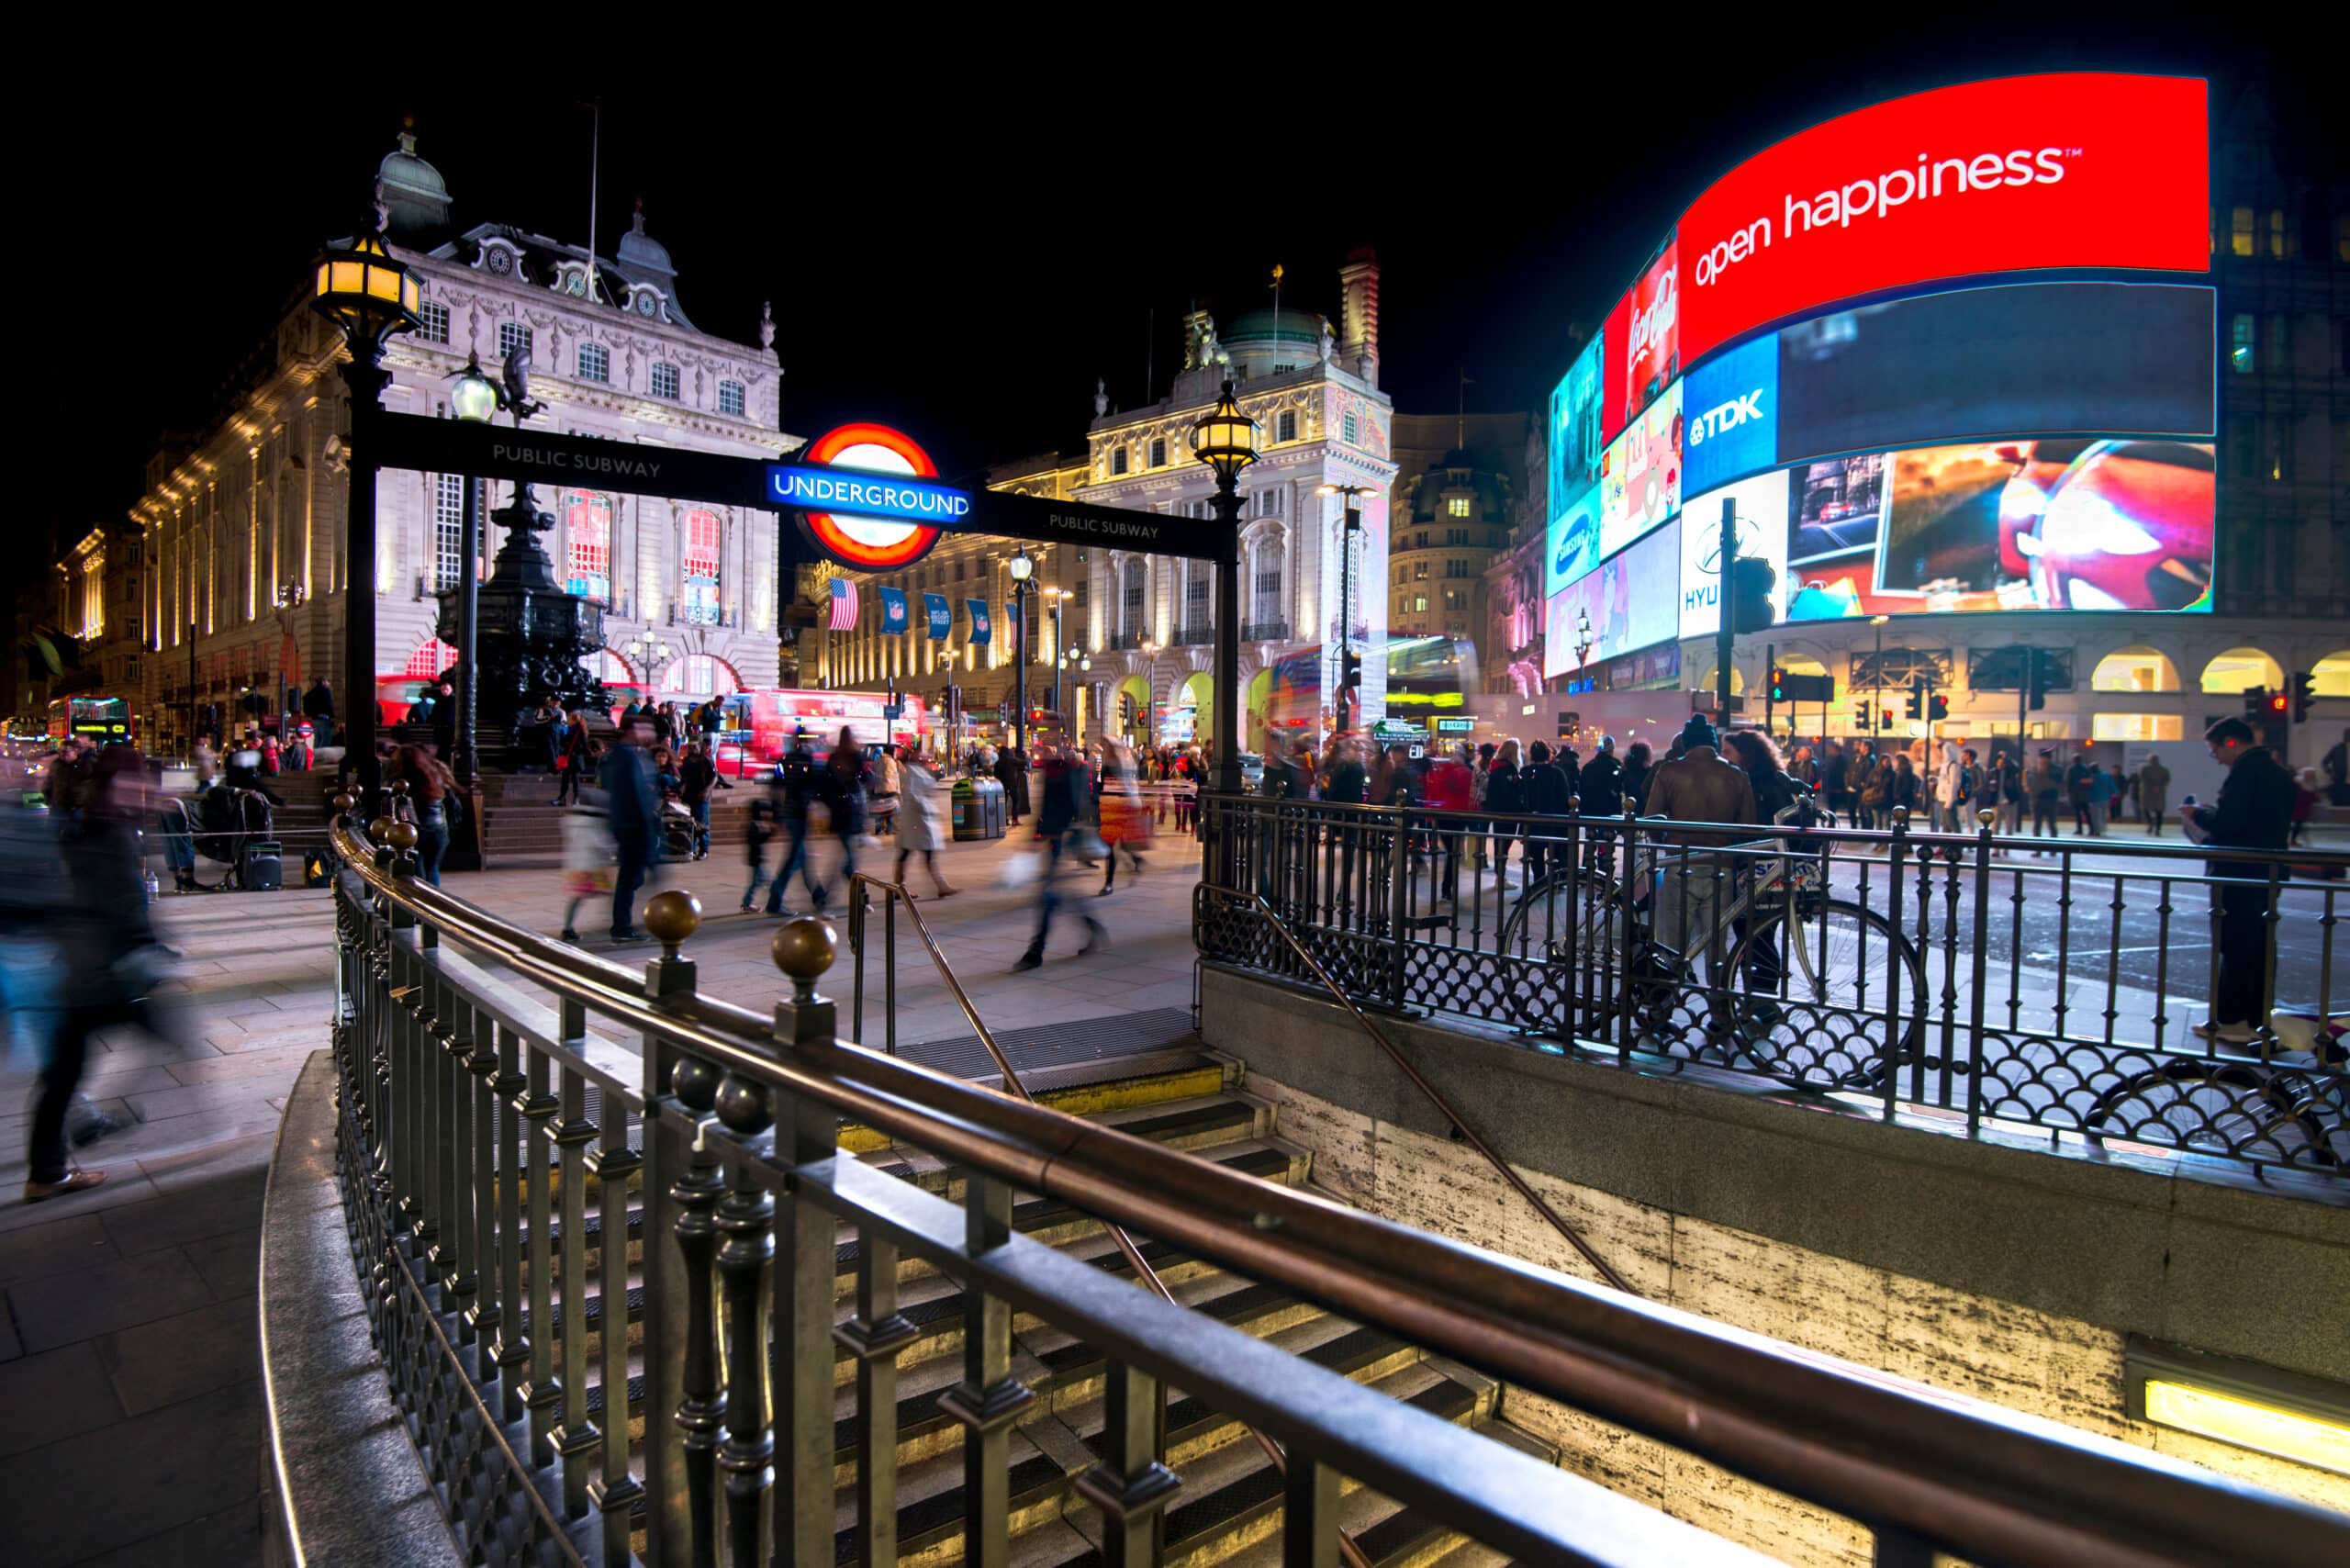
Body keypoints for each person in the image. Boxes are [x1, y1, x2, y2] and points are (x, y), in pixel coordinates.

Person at [2181, 717, 2296, 1042]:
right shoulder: (2277, 772)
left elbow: (2230, 823)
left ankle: (2232, 1020)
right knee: (2261, 945)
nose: (2214, 756)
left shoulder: (2245, 773)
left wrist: (2197, 814)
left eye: (2214, 749)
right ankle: (2258, 1018)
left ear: (2230, 741)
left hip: (2239, 871)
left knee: (2235, 944)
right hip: (2268, 869)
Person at [1642, 715, 1759, 971]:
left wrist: (1666, 845)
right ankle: (1718, 1007)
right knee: (1716, 950)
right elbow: (1749, 827)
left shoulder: (1669, 771)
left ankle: (1666, 1006)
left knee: (1674, 948)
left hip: (1680, 864)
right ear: (1713, 744)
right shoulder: (1736, 775)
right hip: (1721, 866)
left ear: (1687, 744)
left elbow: (1651, 821)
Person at [1013, 743, 1107, 970]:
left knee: (1049, 896)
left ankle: (1036, 951)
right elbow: (1044, 805)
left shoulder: (1069, 769)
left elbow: (1077, 803)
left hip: (1063, 837)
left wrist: (1057, 833)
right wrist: (1036, 833)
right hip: (1054, 838)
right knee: (1060, 893)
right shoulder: (1051, 769)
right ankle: (1090, 926)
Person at [599, 713, 661, 942]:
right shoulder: (624, 756)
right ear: (632, 730)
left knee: (633, 878)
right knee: (630, 879)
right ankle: (622, 927)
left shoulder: (636, 755)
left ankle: (623, 925)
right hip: (633, 827)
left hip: (635, 827)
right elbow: (632, 796)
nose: (650, 733)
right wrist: (645, 830)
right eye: (645, 728)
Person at [893, 748, 958, 897]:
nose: (924, 757)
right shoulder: (910, 772)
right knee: (912, 851)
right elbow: (913, 794)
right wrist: (926, 807)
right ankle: (938, 886)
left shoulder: (919, 770)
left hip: (921, 819)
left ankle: (902, 887)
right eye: (919, 754)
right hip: (917, 819)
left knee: (913, 851)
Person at [390, 744, 455, 886]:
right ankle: (434, 900)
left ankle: (421, 903)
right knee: (432, 869)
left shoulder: (402, 779)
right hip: (439, 828)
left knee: (418, 873)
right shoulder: (433, 775)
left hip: (418, 830)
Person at [1096, 742, 1148, 892]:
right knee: (1119, 844)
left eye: (1107, 746)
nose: (1105, 749)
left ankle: (1109, 883)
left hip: (1118, 808)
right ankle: (1135, 859)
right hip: (1109, 807)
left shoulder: (1119, 765)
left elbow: (1124, 788)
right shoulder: (1110, 763)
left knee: (1111, 846)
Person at [557, 803, 612, 943]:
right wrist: (611, 849)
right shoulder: (592, 824)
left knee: (577, 898)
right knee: (609, 894)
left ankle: (568, 927)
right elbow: (598, 844)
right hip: (590, 867)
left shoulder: (572, 822)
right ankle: (568, 929)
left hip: (575, 867)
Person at [1519, 740, 1572, 882]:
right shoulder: (1557, 772)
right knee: (1554, 854)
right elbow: (1565, 798)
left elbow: (1521, 798)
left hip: (1532, 821)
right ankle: (1553, 882)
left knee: (1535, 855)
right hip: (1553, 821)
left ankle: (1538, 882)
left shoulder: (1525, 772)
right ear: (1548, 754)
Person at [677, 739, 730, 860]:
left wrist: (706, 790)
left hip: (701, 796)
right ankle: (691, 848)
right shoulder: (686, 762)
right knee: (690, 824)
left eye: (694, 747)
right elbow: (684, 778)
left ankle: (703, 849)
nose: (692, 749)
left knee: (702, 824)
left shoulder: (706, 761)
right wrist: (680, 789)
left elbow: (714, 778)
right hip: (688, 796)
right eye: (689, 747)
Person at [1931, 741, 1967, 834]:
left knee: (1952, 822)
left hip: (1948, 799)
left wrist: (1950, 801)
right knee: (1945, 824)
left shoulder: (1954, 766)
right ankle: (1944, 846)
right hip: (1941, 798)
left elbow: (1955, 784)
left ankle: (1958, 845)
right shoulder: (1944, 765)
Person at [2028, 749, 2061, 846]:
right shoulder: (2034, 769)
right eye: (2041, 758)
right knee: (2037, 825)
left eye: (2045, 758)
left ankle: (2054, 848)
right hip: (2036, 800)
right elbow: (2030, 783)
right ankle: (2037, 848)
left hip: (2051, 800)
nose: (2043, 760)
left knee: (2052, 825)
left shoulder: (2056, 770)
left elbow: (2057, 783)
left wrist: (2045, 772)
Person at [2138, 753, 2171, 835]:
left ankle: (2150, 824)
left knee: (2145, 808)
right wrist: (2158, 787)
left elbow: (2143, 778)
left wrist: (2152, 786)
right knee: (2159, 811)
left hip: (2147, 792)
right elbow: (2167, 780)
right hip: (2159, 793)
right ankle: (2158, 829)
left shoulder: (2144, 768)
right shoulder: (2164, 769)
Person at [2065, 754, 2097, 834]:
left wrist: (2068, 793)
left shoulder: (2071, 769)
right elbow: (2090, 780)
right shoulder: (2086, 768)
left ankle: (2079, 829)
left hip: (2075, 794)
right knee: (2086, 812)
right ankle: (2091, 829)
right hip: (2084, 794)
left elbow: (2068, 782)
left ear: (2073, 760)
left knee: (2077, 813)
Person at [302, 678, 336, 749]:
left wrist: (310, 714)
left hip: (314, 719)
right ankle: (323, 759)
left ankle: (316, 756)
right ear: (323, 682)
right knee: (325, 741)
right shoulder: (326, 691)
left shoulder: (311, 693)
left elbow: (305, 700)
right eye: (328, 681)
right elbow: (329, 705)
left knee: (317, 740)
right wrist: (332, 716)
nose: (329, 683)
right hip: (324, 720)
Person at [2085, 759, 2113, 837]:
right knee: (2103, 814)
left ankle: (2097, 830)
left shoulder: (2091, 777)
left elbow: (2088, 788)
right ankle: (2103, 828)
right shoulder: (2106, 775)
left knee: (2095, 816)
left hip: (2094, 798)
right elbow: (2111, 784)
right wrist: (2115, 792)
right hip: (2105, 797)